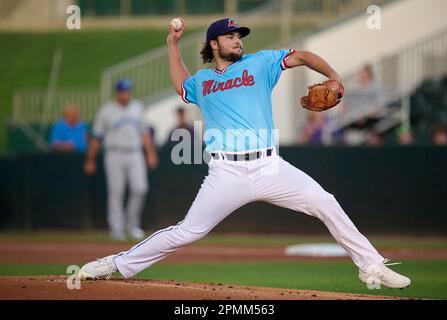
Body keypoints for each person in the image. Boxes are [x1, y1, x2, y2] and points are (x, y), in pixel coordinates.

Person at [79, 18, 410, 289]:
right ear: (214, 44)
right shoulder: (204, 81)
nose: (238, 40)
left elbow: (304, 56)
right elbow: (181, 86)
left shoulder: (261, 63)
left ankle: (372, 268)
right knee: (187, 232)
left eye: (239, 35)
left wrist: (334, 77)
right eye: (230, 36)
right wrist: (172, 45)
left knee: (325, 202)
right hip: (226, 173)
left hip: (270, 166)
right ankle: (115, 264)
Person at [84, 79, 158, 241]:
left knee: (140, 188)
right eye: (122, 91)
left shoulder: (137, 107)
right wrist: (90, 159)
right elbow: (97, 136)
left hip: (134, 152)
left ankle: (132, 225)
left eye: (127, 91)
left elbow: (145, 133)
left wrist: (150, 153)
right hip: (114, 152)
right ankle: (116, 227)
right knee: (116, 191)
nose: (125, 94)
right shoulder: (107, 111)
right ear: (117, 93)